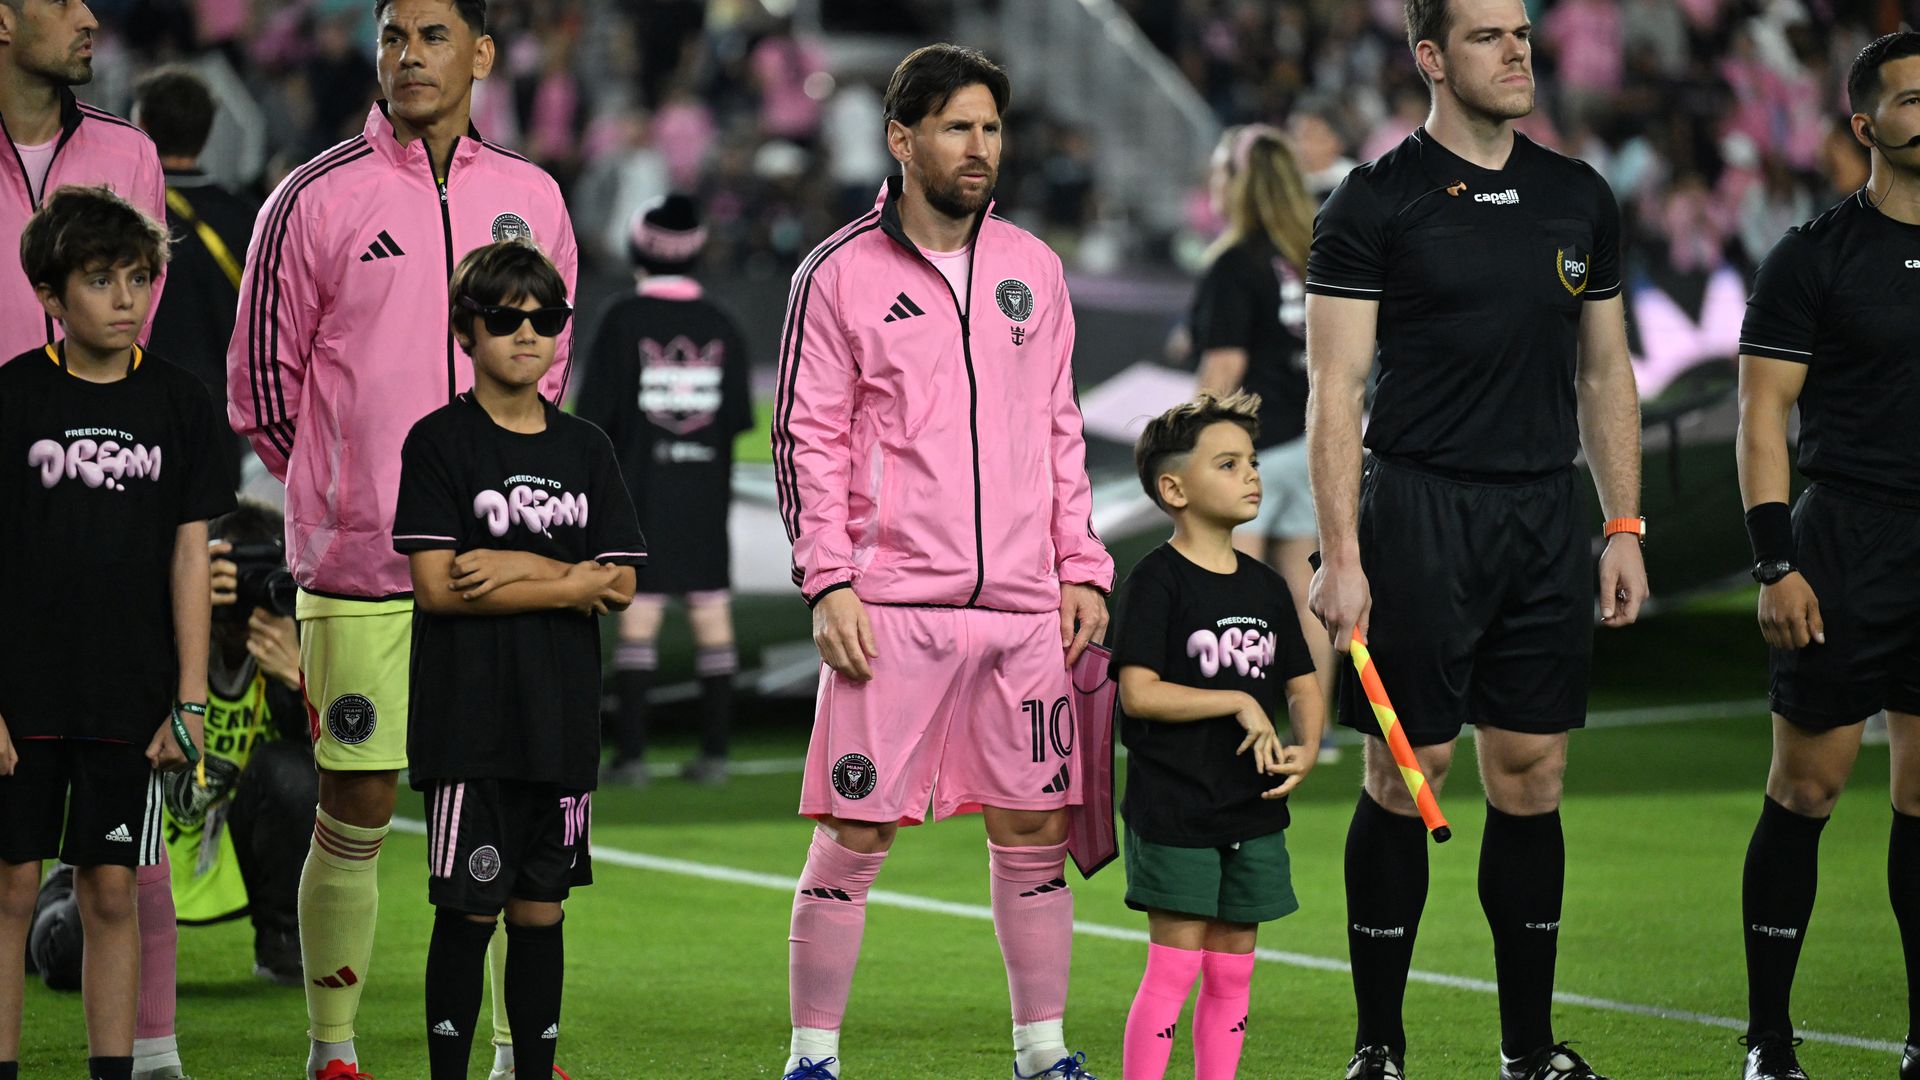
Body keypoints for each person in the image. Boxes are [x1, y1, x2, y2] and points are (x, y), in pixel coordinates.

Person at [222, 2, 579, 1076]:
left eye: (432, 35)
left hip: (505, 570)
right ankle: (334, 1050)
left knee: (518, 817)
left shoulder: (533, 197)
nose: (409, 56)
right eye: (391, 36)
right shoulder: (312, 195)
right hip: (365, 569)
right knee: (360, 801)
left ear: (480, 53)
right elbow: (263, 387)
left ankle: (521, 1052)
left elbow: (547, 371)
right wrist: (347, 497)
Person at [1303, 1, 1649, 1078]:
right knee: (1413, 770)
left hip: (1546, 516)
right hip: (1420, 512)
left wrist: (1623, 524)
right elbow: (1335, 391)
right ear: (1430, 59)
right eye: (1489, 35)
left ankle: (1528, 1050)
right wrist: (1343, 553)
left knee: (1533, 771)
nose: (1517, 51)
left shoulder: (1577, 196)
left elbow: (1605, 372)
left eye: (1521, 33)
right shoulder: (1373, 202)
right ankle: (1380, 1047)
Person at [772, 43, 1113, 1080]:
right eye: (959, 126)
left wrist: (1082, 564)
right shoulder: (834, 274)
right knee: (856, 835)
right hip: (891, 605)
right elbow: (807, 438)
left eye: (993, 128)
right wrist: (828, 578)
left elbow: (1060, 429)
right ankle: (813, 1058)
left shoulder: (1034, 270)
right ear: (901, 138)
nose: (980, 148)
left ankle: (1042, 1052)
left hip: (1020, 608)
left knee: (1034, 829)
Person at [393, 239, 643, 1080]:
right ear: (468, 330)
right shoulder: (437, 442)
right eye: (505, 318)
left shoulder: (586, 448)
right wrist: (570, 580)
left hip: (561, 725)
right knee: (468, 913)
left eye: (546, 319)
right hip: (470, 727)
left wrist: (520, 569)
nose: (527, 333)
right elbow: (437, 586)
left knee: (542, 914)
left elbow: (619, 587)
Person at [0, 185, 229, 1080]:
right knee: (12, 888)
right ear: (52, 296)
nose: (127, 297)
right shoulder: (13, 397)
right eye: (101, 279)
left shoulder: (179, 400)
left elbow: (188, 560)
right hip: (22, 695)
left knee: (110, 890)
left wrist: (190, 700)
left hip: (129, 697)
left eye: (139, 277)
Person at [1732, 30, 1920, 1080]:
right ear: (1866, 125)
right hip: (1844, 542)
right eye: (1911, 98)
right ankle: (1768, 1038)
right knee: (1806, 792)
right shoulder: (1812, 255)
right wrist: (1773, 562)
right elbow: (1764, 417)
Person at [1112, 391, 1324, 1080]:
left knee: (1234, 971)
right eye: (1228, 464)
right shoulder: (1155, 582)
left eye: (1254, 462)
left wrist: (1308, 745)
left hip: (1252, 808)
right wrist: (1234, 700)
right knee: (1175, 967)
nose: (1253, 476)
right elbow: (1139, 693)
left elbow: (1300, 681)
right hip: (1176, 808)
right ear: (1174, 488)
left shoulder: (1265, 587)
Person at [575, 193, 753, 788]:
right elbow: (734, 421)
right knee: (711, 617)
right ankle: (717, 754)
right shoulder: (723, 324)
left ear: (637, 248)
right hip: (704, 501)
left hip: (638, 498)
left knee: (639, 620)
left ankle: (630, 759)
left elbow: (592, 422)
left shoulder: (621, 320)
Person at [1189, 124, 1335, 758]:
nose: (1212, 186)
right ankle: (1314, 731)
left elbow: (1223, 369)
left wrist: (1188, 442)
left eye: (1220, 173)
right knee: (1307, 596)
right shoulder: (1312, 254)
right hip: (1315, 444)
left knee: (1229, 594)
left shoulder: (1234, 261)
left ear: (1238, 183)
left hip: (1248, 449)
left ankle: (1233, 727)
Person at [0, 0, 166, 364]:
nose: (89, 19)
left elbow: (142, 310)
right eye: (61, 3)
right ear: (3, 22)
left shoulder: (131, 152)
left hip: (98, 415)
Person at [131, 65, 258, 487]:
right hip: (218, 409)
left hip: (137, 404)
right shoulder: (248, 217)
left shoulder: (123, 214)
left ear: (142, 124)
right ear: (206, 132)